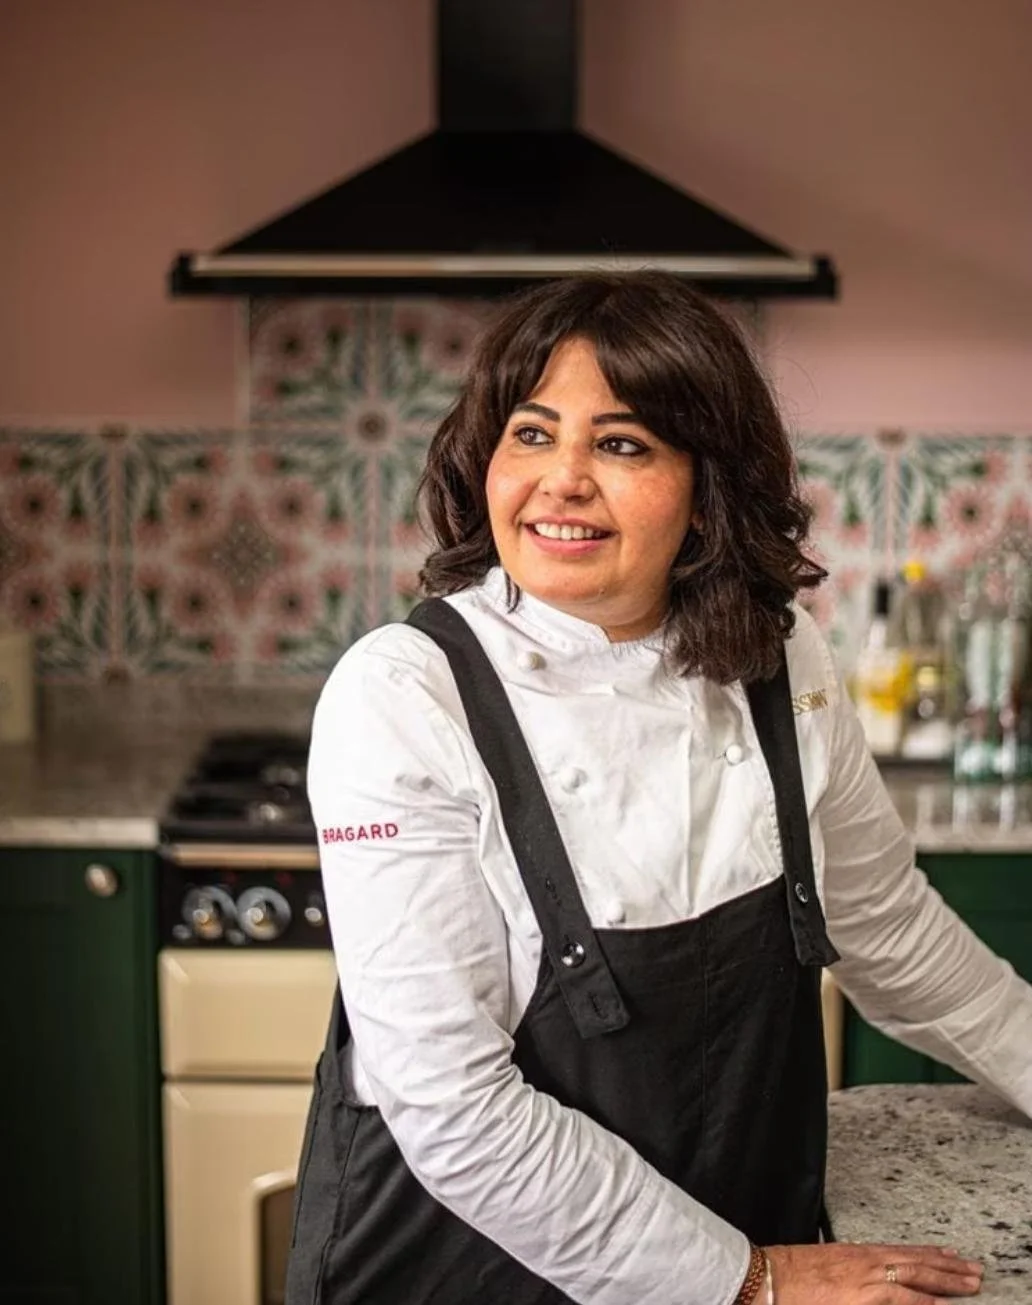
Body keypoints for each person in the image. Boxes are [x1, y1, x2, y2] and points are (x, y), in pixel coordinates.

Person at [285, 271, 1031, 1305]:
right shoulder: (404, 694)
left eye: (623, 444)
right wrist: (752, 1280)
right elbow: (454, 1109)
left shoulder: (782, 659)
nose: (563, 480)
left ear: (707, 484)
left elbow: (888, 929)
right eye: (532, 435)